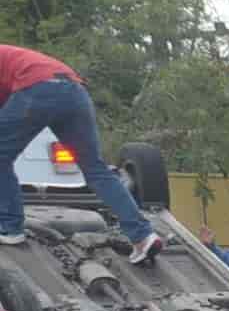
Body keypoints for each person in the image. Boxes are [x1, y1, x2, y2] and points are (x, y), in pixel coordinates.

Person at [0, 43, 163, 263]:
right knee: (96, 169)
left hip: (37, 88)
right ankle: (143, 236)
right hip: (74, 90)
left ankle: (10, 228)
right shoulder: (11, 57)